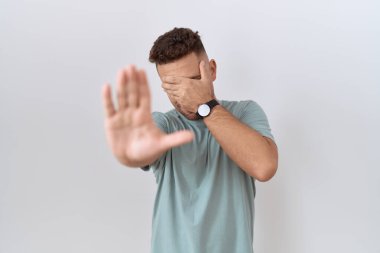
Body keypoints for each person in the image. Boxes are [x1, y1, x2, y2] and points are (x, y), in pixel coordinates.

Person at [101, 27, 278, 253]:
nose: (184, 95)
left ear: (211, 70)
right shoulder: (164, 124)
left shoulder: (245, 112)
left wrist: (205, 106)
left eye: (193, 82)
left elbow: (264, 166)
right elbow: (144, 146)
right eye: (173, 87)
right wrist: (130, 153)